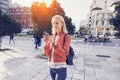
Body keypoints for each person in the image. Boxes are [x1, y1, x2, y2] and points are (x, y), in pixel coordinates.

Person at [43, 15, 71, 80]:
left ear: (62, 24)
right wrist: (46, 43)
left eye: (57, 23)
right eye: (53, 23)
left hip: (61, 68)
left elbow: (64, 53)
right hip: (51, 67)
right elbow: (47, 53)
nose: (55, 25)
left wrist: (53, 43)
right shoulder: (52, 37)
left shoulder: (67, 37)